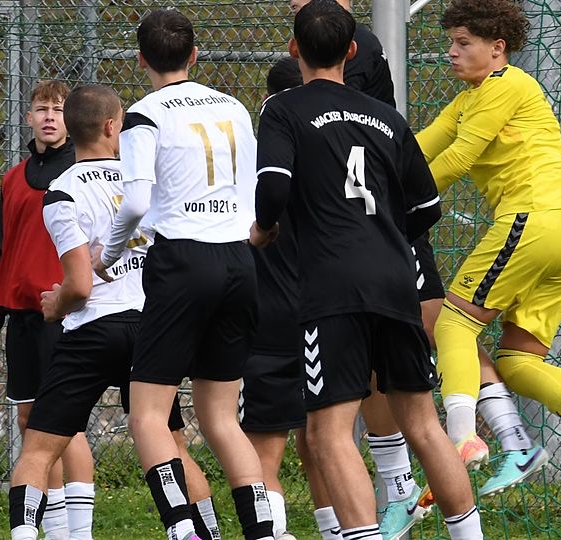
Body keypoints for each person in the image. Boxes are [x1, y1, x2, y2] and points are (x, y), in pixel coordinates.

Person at [251, 2, 482, 539]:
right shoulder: (387, 119)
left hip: (333, 286)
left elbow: (274, 185)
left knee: (327, 431)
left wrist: (264, 229)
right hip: (397, 279)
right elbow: (427, 209)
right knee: (422, 423)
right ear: (352, 50)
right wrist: (381, 235)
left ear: (294, 48)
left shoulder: (284, 108)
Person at [416, 0, 561, 500]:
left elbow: (457, 158)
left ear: (498, 48)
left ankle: (460, 439)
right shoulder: (470, 98)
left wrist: (393, 203)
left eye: (463, 43)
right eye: (450, 42)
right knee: (517, 360)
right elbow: (418, 148)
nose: (451, 52)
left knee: (453, 323)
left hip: (533, 221)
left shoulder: (507, 83)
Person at [6, 85, 219, 540]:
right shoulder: (149, 184)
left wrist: (55, 303)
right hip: (151, 327)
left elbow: (80, 286)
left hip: (94, 330)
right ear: (111, 127)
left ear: (71, 128)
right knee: (171, 444)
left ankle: (24, 534)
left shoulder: (61, 191)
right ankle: (199, 532)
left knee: (39, 449)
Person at [92, 10, 273, 540]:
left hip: (183, 260)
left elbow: (136, 202)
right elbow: (253, 187)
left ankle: (183, 529)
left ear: (140, 59)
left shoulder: (144, 115)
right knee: (222, 419)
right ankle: (263, 530)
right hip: (238, 259)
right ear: (194, 55)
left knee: (147, 414)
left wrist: (108, 256)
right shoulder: (233, 106)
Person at [0, 79, 94, 539]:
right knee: (31, 422)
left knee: (66, 426)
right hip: (23, 317)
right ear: (28, 117)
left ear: (70, 119)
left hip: (67, 314)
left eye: (58, 109)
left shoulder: (82, 173)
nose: (49, 117)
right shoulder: (12, 179)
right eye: (42, 109)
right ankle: (57, 528)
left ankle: (80, 532)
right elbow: (3, 254)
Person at [240, 57, 304, 540]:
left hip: (268, 321)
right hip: (331, 316)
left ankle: (273, 532)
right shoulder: (341, 148)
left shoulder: (252, 158)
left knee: (263, 455)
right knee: (329, 444)